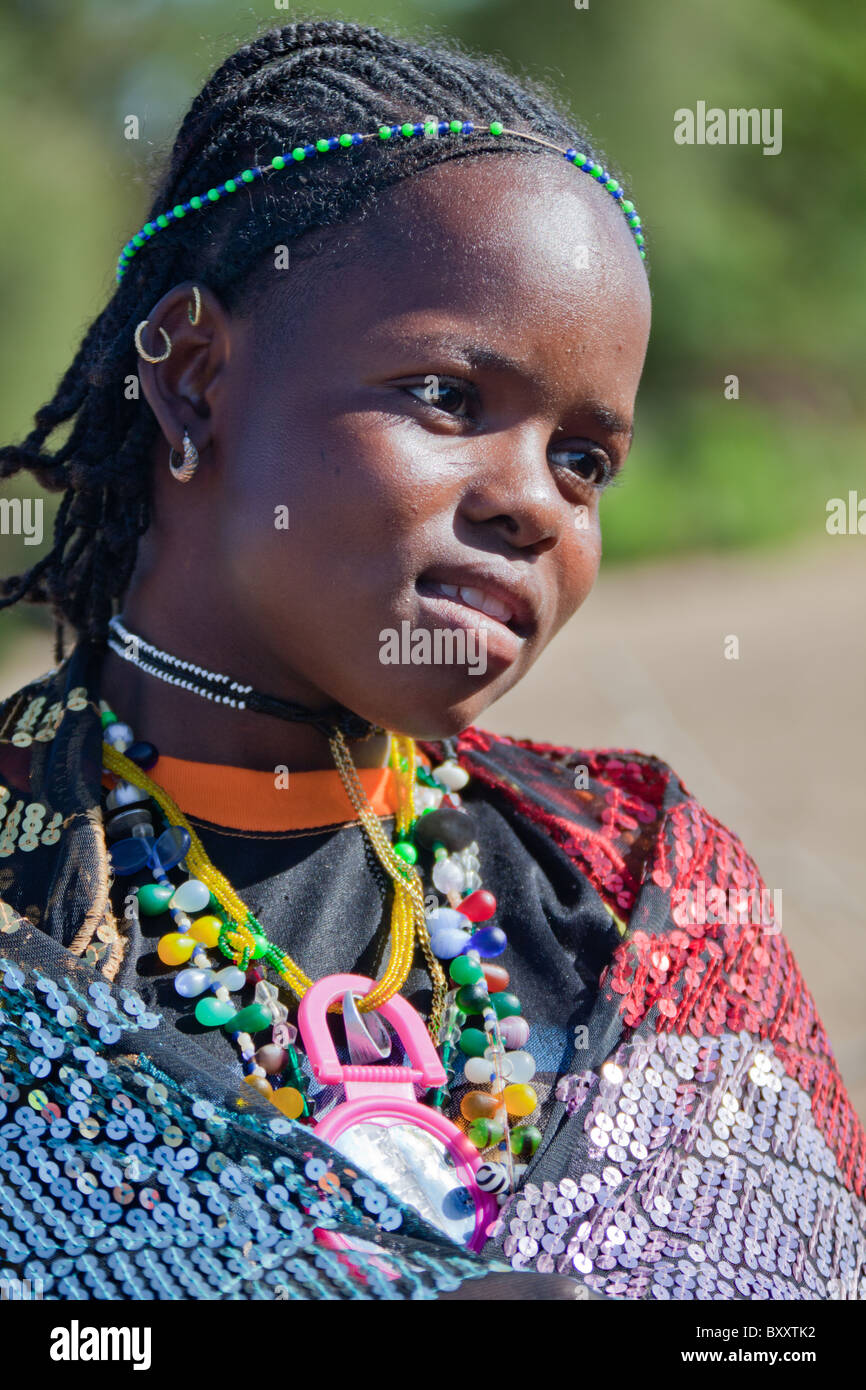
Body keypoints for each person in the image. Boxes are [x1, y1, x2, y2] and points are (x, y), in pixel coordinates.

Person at [0, 19, 862, 1304]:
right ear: (189, 380)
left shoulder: (636, 909)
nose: (534, 503)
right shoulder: (33, 915)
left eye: (584, 460)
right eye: (448, 397)